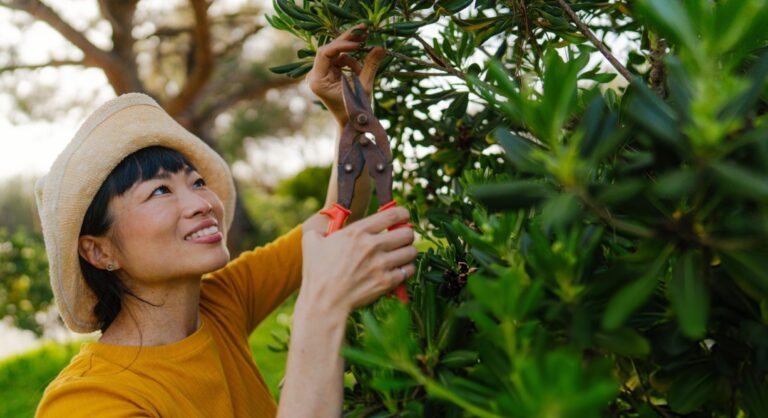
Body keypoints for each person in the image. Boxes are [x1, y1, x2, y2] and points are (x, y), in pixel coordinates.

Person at [34, 24, 417, 418]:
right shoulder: (88, 401)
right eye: (160, 190)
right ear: (99, 251)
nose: (200, 203)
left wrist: (350, 118)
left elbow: (336, 220)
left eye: (197, 182)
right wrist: (322, 310)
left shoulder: (221, 302)